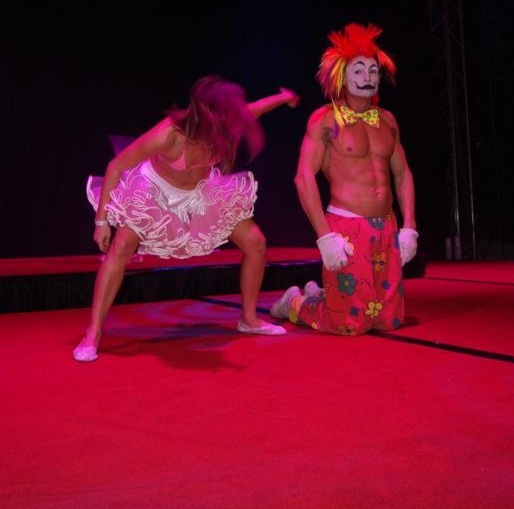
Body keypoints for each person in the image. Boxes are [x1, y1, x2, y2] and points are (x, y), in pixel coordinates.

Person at [73, 75, 300, 361]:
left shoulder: (227, 125)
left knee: (256, 242)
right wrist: (101, 221)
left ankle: (249, 318)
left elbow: (256, 109)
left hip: (199, 193)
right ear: (208, 114)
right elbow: (116, 166)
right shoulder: (170, 134)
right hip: (153, 193)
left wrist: (284, 98)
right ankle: (92, 333)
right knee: (120, 248)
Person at [270, 22, 418, 335]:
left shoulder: (388, 121)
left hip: (386, 227)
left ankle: (321, 293)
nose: (368, 77)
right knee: (349, 324)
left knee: (388, 321)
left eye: (373, 71)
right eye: (359, 70)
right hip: (347, 227)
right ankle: (295, 301)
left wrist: (409, 227)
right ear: (342, 77)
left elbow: (402, 173)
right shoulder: (325, 120)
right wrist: (325, 237)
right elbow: (303, 178)